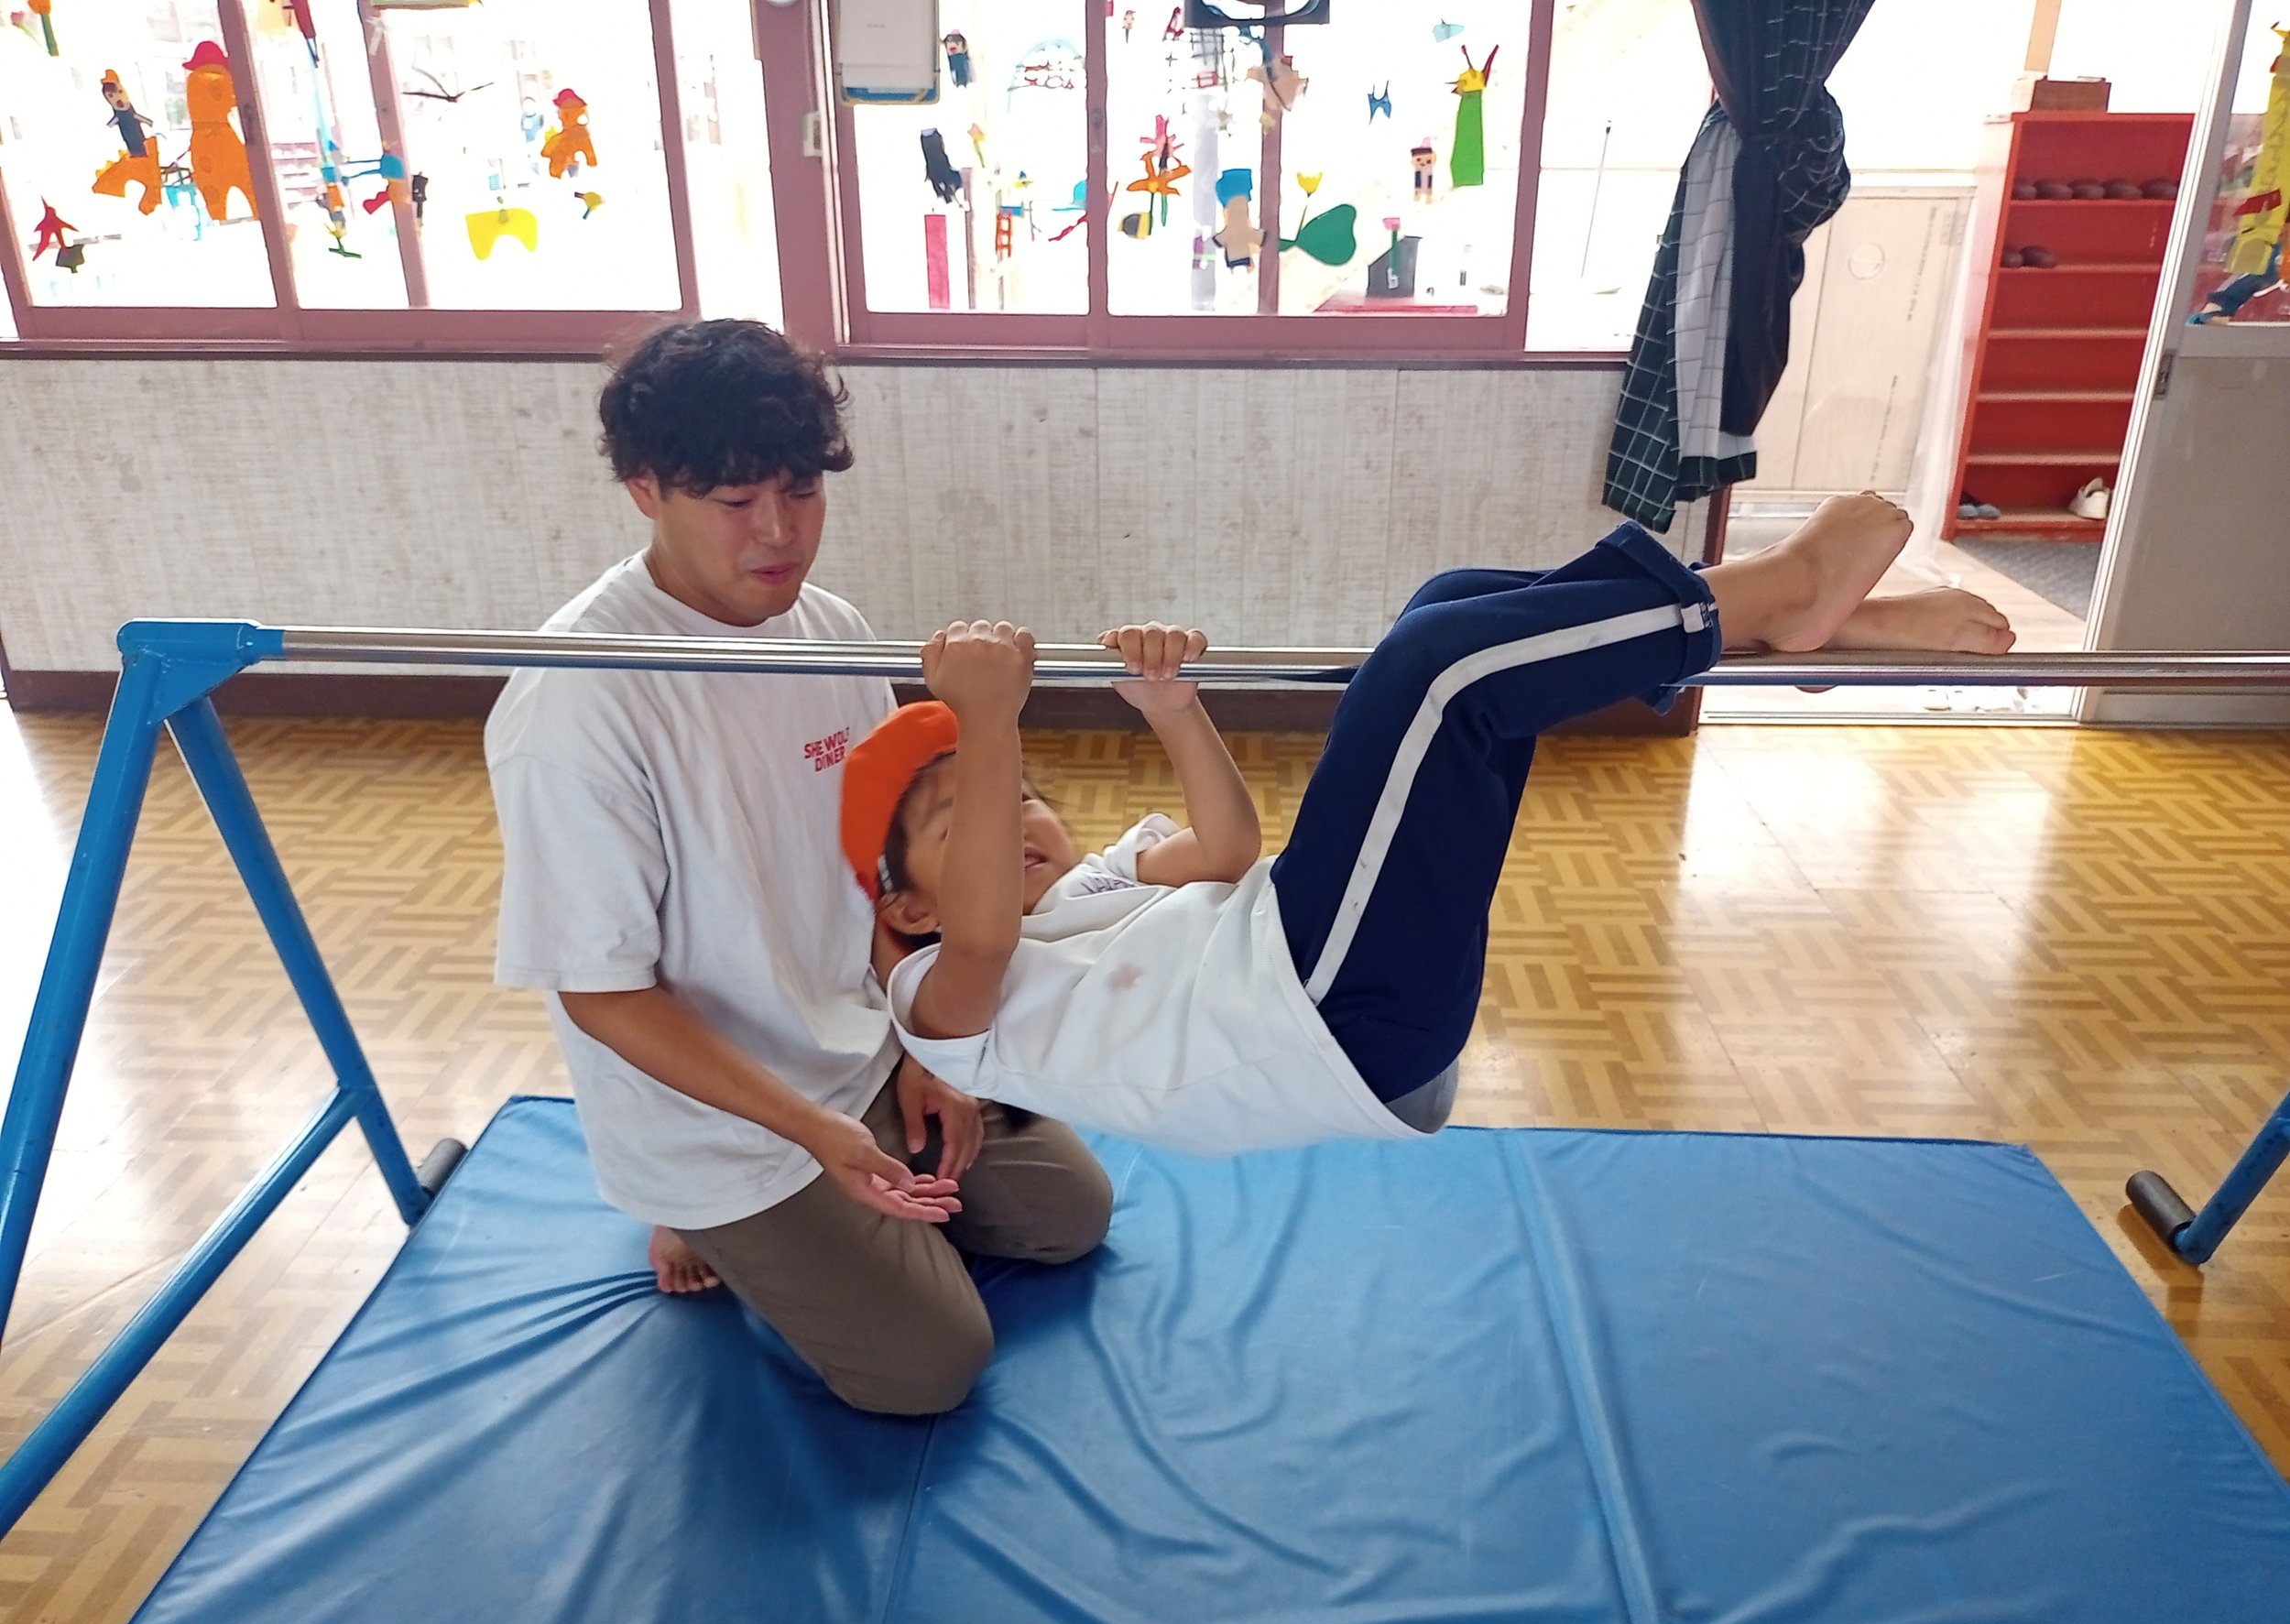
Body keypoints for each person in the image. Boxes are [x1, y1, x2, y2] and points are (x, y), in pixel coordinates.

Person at [848, 496, 2013, 1149]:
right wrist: (987, 725)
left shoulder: (1094, 885)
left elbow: (1226, 850)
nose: (1012, 819)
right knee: (1441, 673)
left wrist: (1173, 710)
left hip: (1319, 964)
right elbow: (986, 931)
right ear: (905, 904)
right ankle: (1764, 599)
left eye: (1018, 798)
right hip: (1323, 1021)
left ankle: (1772, 625)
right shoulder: (940, 1008)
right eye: (960, 823)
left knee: (1449, 607)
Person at [485, 320, 1110, 1416]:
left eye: (802, 492)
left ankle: (827, 1223)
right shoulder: (578, 702)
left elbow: (870, 870)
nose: (778, 533)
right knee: (928, 1367)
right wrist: (814, 1133)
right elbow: (601, 994)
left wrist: (922, 1049)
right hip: (724, 1121)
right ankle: (700, 1216)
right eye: (734, 502)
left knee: (1071, 1213)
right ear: (645, 491)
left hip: (855, 1049)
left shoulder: (830, 631)